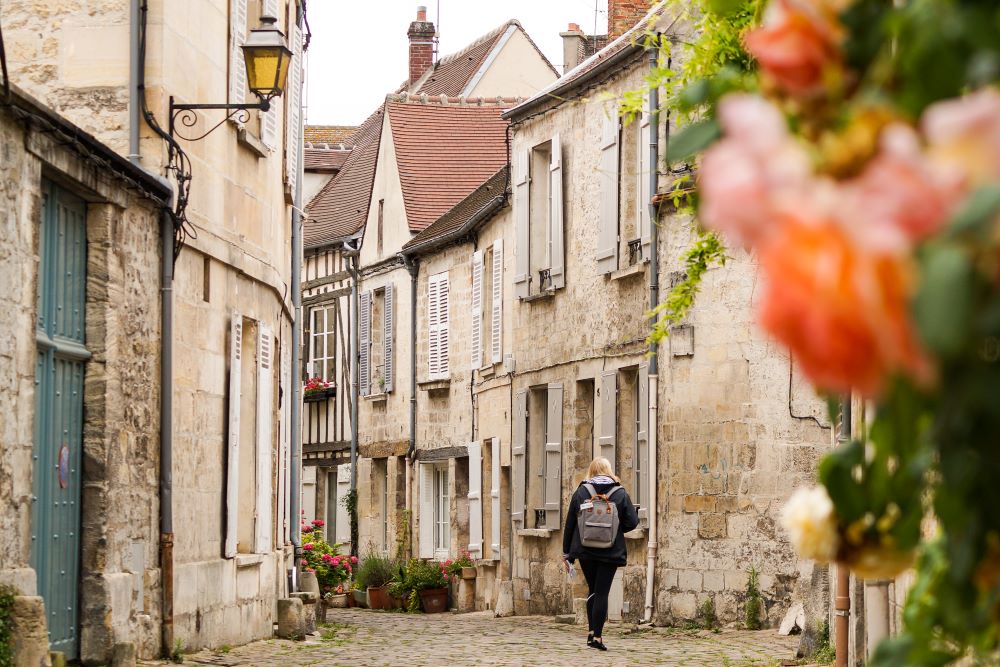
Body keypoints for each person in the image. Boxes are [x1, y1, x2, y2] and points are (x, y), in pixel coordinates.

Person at [562, 456, 639, 651]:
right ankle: (597, 636)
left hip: (585, 549)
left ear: (592, 471)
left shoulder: (581, 491)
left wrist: (567, 552)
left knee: (593, 590)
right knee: (602, 592)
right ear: (608, 470)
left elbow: (570, 523)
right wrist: (614, 529)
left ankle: (591, 633)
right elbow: (632, 522)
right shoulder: (620, 493)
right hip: (610, 551)